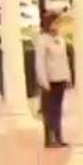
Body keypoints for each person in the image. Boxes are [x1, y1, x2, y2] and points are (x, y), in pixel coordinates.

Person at [34, 11, 72, 148]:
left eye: (58, 22)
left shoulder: (60, 40)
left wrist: (68, 76)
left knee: (58, 109)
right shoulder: (43, 40)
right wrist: (43, 81)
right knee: (48, 110)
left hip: (60, 77)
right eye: (54, 22)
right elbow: (40, 62)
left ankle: (58, 136)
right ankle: (49, 138)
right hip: (49, 80)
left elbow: (64, 60)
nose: (56, 25)